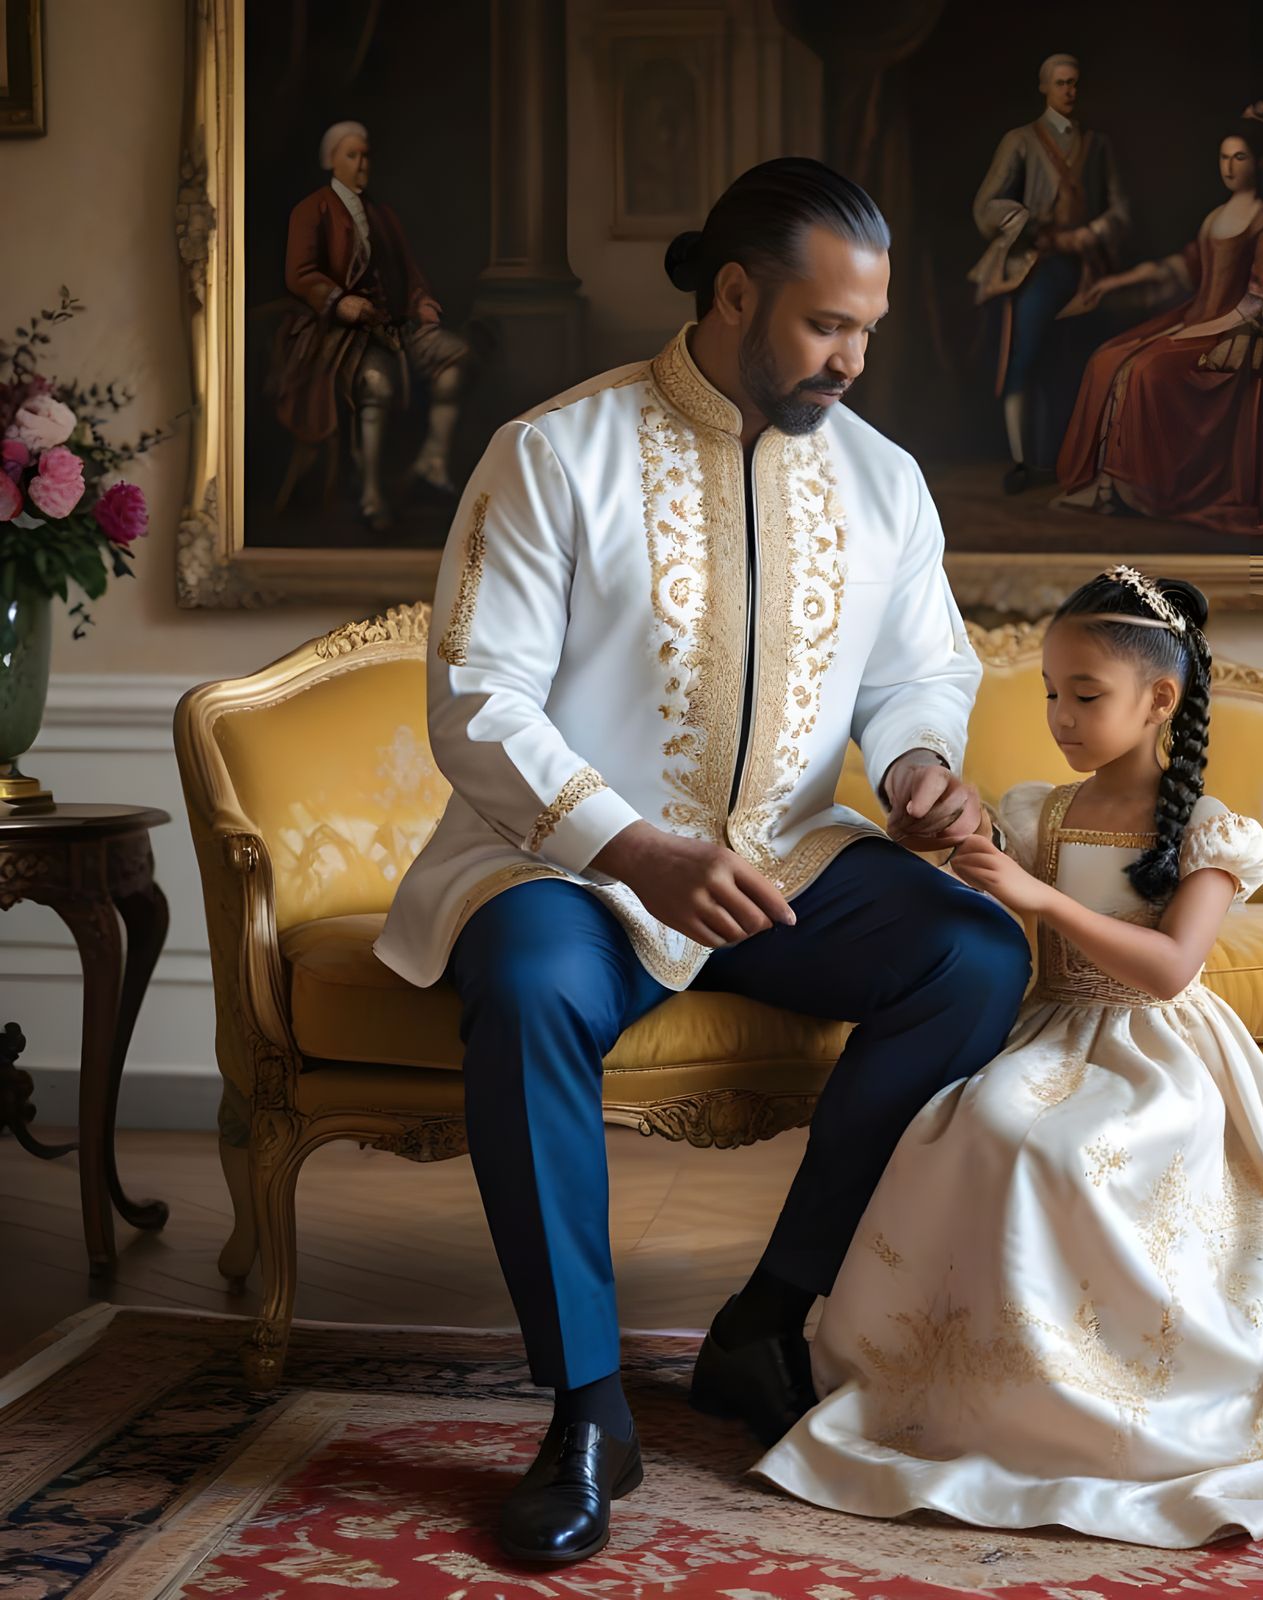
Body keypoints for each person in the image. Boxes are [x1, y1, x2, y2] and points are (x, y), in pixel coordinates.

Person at [373, 158, 1032, 1567]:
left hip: (786, 857)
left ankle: (766, 1320)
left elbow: (924, 668)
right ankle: (587, 1405)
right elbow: (477, 700)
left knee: (974, 952)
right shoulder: (556, 452)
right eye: (823, 326)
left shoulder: (885, 481)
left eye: (869, 329)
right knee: (532, 983)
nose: (853, 360)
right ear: (734, 295)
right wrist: (632, 847)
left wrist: (917, 761)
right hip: (576, 864)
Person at [755, 565, 1263, 1548]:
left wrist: (1042, 899)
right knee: (971, 1120)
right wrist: (934, 825)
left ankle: (1110, 1377)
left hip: (1154, 1050)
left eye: (1082, 695)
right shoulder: (1043, 810)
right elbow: (964, 849)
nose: (1057, 714)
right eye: (1050, 691)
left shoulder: (1206, 830)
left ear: (1158, 699)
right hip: (1048, 1029)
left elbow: (1173, 968)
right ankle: (975, 1376)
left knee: (1070, 1148)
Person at [1055, 104, 1263, 534]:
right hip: (1194, 320)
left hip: (1232, 329)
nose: (1229, 166)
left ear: (1260, 162)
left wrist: (1204, 329)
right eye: (1223, 157)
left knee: (1146, 369)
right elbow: (1178, 269)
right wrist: (1111, 284)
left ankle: (1146, 489)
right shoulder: (1215, 218)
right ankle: (1109, 485)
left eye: (1239, 157)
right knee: (1107, 359)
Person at [270, 120, 473, 530]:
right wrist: (339, 301)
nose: (362, 163)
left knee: (456, 361)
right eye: (352, 155)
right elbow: (300, 273)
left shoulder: (383, 215)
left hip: (395, 327)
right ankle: (371, 492)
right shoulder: (312, 209)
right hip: (338, 336)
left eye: (365, 155)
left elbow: (410, 273)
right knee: (377, 386)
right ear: (331, 160)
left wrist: (423, 303)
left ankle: (431, 463)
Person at [970, 53, 1129, 494]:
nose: (1069, 91)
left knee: (1085, 364)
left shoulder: (1097, 144)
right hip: (1037, 267)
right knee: (1023, 360)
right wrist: (1032, 226)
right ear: (1045, 87)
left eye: (1075, 83)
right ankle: (1023, 461)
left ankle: (1079, 461)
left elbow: (1120, 209)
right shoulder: (1020, 140)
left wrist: (1094, 232)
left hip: (1087, 271)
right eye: (1061, 83)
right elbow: (986, 206)